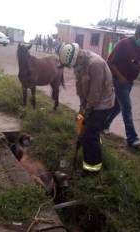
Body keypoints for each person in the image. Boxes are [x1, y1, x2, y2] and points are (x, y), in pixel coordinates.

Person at [59, 43, 115, 173]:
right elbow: (81, 88)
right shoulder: (79, 64)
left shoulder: (95, 64)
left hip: (102, 105)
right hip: (91, 103)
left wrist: (87, 111)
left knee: (89, 135)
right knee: (87, 131)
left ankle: (92, 169)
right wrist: (82, 108)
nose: (73, 69)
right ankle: (95, 149)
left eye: (73, 65)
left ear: (78, 57)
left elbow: (95, 93)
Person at [103, 23, 140, 148]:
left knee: (118, 107)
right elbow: (110, 62)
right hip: (119, 80)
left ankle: (104, 124)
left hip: (129, 81)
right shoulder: (123, 44)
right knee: (127, 107)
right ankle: (132, 138)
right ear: (137, 34)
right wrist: (120, 77)